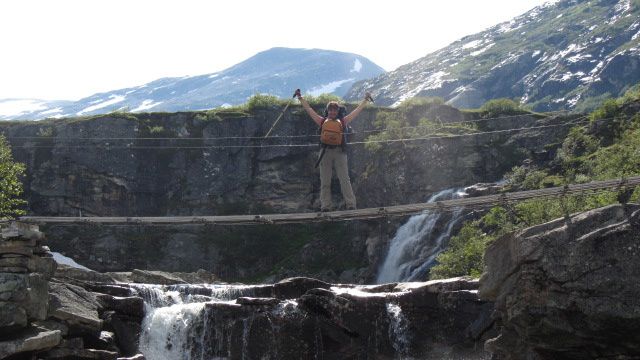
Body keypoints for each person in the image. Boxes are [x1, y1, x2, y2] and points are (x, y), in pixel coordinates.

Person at [295, 90, 372, 211]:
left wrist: (365, 101)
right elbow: (309, 110)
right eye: (330, 110)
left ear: (337, 111)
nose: (332, 112)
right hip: (326, 152)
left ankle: (350, 205)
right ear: (327, 111)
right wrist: (300, 98)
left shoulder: (342, 121)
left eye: (334, 110)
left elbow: (356, 112)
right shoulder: (322, 121)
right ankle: (326, 206)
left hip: (338, 151)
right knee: (325, 180)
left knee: (344, 179)